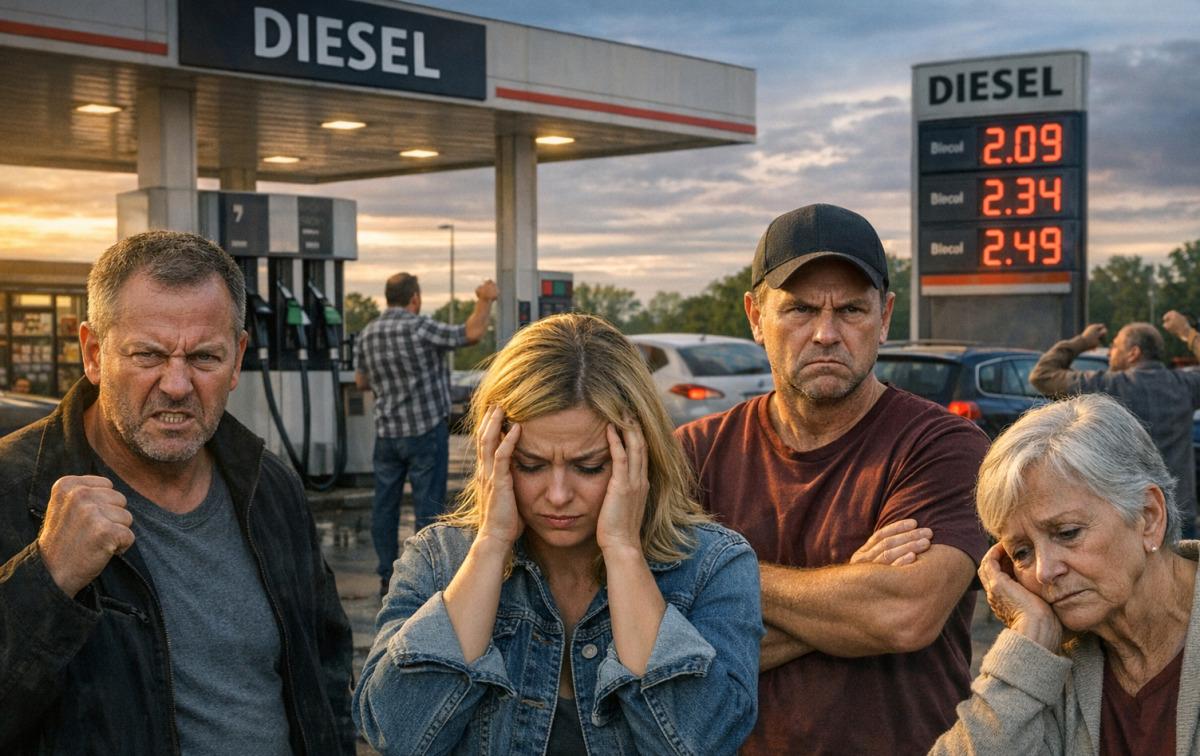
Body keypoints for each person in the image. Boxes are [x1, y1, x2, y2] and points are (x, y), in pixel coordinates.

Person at [0, 231, 355, 754]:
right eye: (149, 355)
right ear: (94, 354)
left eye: (204, 358)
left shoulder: (269, 486)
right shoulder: (14, 490)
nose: (177, 384)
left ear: (236, 359)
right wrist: (47, 578)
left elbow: (325, 683)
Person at [353, 313, 762, 755]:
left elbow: (700, 744)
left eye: (589, 466)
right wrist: (490, 545)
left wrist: (624, 553)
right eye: (531, 465)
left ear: (638, 454)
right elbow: (396, 734)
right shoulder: (439, 561)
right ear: (495, 455)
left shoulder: (712, 564)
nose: (558, 494)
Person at [676, 203, 990, 755]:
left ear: (886, 316)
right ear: (754, 315)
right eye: (798, 309)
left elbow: (903, 614)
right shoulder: (693, 454)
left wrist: (715, 577)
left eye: (850, 309)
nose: (826, 333)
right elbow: (664, 653)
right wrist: (851, 590)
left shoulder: (943, 446)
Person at [932, 393, 1200, 754]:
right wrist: (1026, 645)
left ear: (1148, 517)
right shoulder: (1048, 664)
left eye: (1068, 532)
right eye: (1022, 552)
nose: (1044, 571)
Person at [356, 272, 498, 593]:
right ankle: (427, 575)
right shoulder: (419, 326)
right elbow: (472, 333)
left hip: (388, 433)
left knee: (385, 506)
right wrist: (485, 298)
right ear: (415, 299)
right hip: (424, 432)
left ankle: (385, 576)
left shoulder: (369, 333)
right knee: (428, 507)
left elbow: (362, 382)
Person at [1030, 320, 1200, 538]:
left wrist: (1082, 342)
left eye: (1116, 345)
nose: (1110, 351)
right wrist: (1187, 333)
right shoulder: (1184, 385)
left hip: (1126, 514)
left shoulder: (1106, 386)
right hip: (1178, 513)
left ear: (1133, 353)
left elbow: (1042, 375)